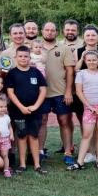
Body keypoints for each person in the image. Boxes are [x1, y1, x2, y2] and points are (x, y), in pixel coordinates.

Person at [4, 46, 47, 175]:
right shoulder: (12, 73)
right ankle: (22, 164)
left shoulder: (36, 72)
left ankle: (37, 164)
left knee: (33, 136)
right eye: (20, 56)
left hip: (35, 111)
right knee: (21, 136)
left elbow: (43, 90)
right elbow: (10, 93)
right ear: (16, 57)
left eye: (26, 56)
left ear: (30, 57)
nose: (23, 58)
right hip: (18, 111)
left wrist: (36, 106)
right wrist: (21, 107)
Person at [37, 22, 76, 166]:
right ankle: (40, 151)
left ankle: (68, 152)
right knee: (42, 121)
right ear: (42, 31)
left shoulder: (64, 48)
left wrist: (68, 91)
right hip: (41, 93)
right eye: (47, 30)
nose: (49, 32)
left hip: (60, 92)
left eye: (52, 30)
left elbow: (70, 71)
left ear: (57, 32)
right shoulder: (35, 47)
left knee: (64, 121)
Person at [68, 50, 98, 171]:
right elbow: (79, 92)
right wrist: (88, 106)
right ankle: (80, 162)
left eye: (94, 60)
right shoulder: (81, 74)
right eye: (89, 60)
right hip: (89, 109)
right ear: (85, 61)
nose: (92, 62)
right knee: (87, 135)